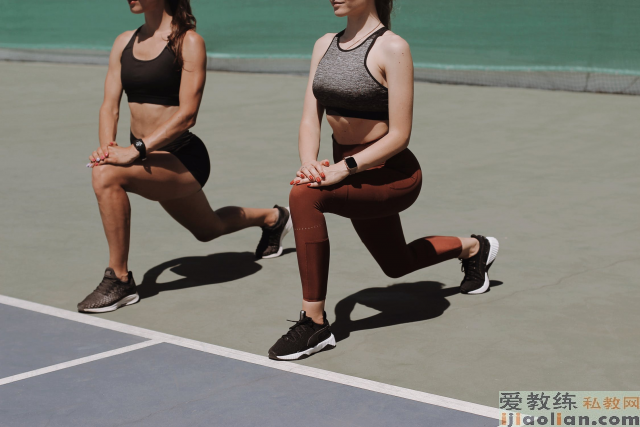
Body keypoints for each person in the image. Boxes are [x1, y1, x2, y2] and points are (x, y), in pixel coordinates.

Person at [268, 0, 499, 360]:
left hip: (392, 174)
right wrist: (309, 163)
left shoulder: (393, 47)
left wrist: (345, 167)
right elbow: (310, 117)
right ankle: (474, 247)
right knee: (396, 264)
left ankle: (314, 324)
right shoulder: (324, 44)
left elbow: (400, 135)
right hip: (348, 171)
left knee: (303, 196)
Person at [78, 0, 290, 313]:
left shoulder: (189, 42)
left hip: (183, 160)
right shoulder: (124, 42)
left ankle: (120, 280)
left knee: (104, 175)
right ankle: (274, 218)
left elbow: (187, 115)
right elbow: (109, 105)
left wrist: (134, 151)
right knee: (209, 230)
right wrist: (108, 148)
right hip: (143, 158)